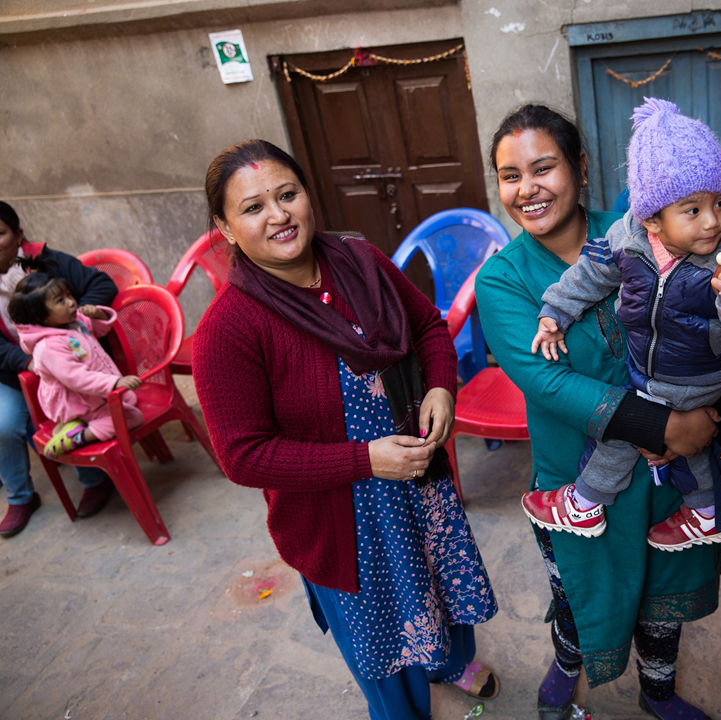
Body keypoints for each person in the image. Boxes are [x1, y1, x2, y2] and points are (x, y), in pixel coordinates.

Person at [191, 140, 498, 720]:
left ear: (308, 195)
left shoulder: (360, 261)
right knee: (384, 649)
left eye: (287, 194)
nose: (279, 215)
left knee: (441, 591)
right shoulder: (229, 329)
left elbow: (428, 325)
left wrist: (439, 386)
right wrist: (365, 460)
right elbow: (242, 456)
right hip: (345, 523)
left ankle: (450, 663)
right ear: (225, 228)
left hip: (419, 486)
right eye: (253, 207)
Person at [476, 104, 721, 720]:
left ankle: (657, 691)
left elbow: (707, 326)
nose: (527, 189)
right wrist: (666, 427)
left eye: (544, 168)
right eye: (511, 176)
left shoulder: (646, 233)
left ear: (580, 168)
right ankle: (567, 663)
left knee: (661, 594)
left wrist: (704, 411)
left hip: (672, 469)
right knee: (580, 595)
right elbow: (546, 380)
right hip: (578, 477)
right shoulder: (502, 280)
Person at [525, 98, 721, 551]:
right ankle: (706, 512)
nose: (712, 221)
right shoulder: (628, 238)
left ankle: (586, 502)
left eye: (720, 202)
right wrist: (555, 313)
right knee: (686, 443)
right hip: (648, 366)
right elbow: (590, 274)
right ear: (651, 219)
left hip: (698, 371)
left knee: (626, 429)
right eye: (692, 210)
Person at [0, 201, 117, 537]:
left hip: (73, 362)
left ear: (18, 233)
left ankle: (94, 478)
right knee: (5, 425)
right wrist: (28, 362)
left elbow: (102, 284)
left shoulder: (47, 262)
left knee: (76, 404)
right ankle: (20, 497)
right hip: (16, 370)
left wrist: (73, 317)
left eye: (0, 233)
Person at [10, 271, 143, 459]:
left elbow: (101, 328)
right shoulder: (49, 346)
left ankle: (79, 424)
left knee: (130, 399)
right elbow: (77, 379)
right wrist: (114, 383)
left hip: (93, 395)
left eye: (68, 295)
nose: (71, 302)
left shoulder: (74, 321)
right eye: (60, 301)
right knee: (132, 417)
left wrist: (98, 314)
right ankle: (77, 436)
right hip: (77, 403)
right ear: (42, 317)